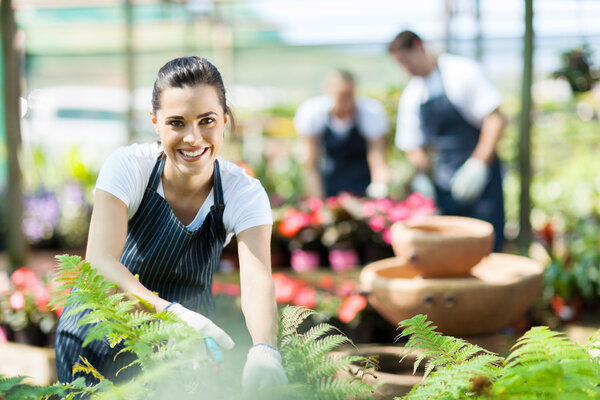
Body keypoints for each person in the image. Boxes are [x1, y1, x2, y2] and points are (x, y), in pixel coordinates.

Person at [54, 56, 287, 391]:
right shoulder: (129, 168)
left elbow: (257, 280)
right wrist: (172, 313)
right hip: (97, 334)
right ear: (155, 123)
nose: (193, 138)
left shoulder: (243, 192)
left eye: (206, 120)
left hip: (179, 349)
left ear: (224, 120)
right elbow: (100, 263)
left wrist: (265, 349)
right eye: (177, 123)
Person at [388, 30, 506, 251]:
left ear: (419, 46)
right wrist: (422, 178)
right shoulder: (413, 95)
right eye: (399, 64)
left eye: (406, 60)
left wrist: (478, 164)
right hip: (444, 185)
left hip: (482, 182)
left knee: (488, 246)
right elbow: (413, 147)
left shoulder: (461, 72)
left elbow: (495, 120)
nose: (405, 68)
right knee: (452, 251)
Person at [293, 68, 390, 198]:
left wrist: (379, 188)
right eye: (340, 95)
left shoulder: (370, 113)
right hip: (329, 181)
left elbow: (377, 157)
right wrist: (319, 200)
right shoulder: (313, 114)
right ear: (328, 91)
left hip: (362, 180)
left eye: (349, 94)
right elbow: (311, 164)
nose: (345, 100)